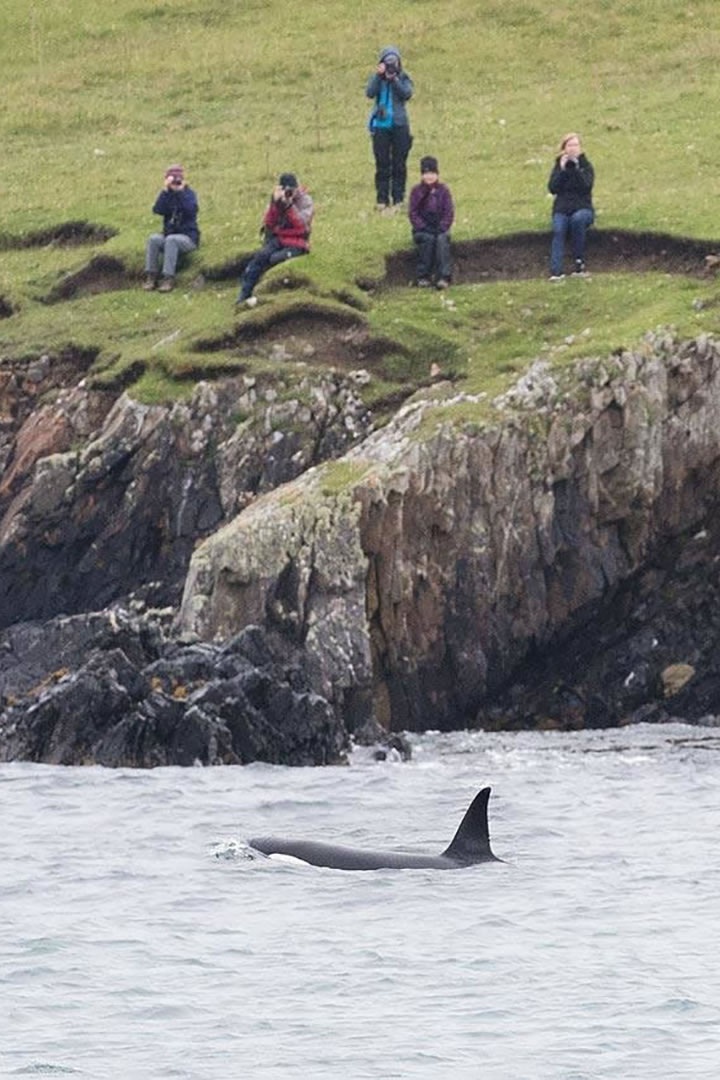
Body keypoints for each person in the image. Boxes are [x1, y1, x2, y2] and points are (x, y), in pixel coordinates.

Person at [235, 173, 314, 307]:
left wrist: (289, 206)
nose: (290, 194)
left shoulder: (305, 201)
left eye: (292, 190)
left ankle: (272, 293)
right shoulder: (277, 201)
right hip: (278, 239)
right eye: (287, 191)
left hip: (297, 242)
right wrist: (275, 203)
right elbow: (269, 224)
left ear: (297, 188)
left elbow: (302, 226)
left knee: (276, 259)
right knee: (260, 257)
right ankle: (244, 295)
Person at [366, 46, 413, 212]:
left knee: (399, 164)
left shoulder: (404, 77)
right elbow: (369, 93)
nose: (392, 66)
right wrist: (379, 77)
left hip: (400, 126)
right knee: (382, 164)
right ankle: (382, 199)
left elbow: (407, 94)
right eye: (388, 62)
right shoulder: (378, 79)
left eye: (394, 62)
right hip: (381, 126)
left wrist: (394, 80)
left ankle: (399, 199)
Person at [144, 165, 199, 292]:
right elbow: (157, 210)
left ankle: (168, 278)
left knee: (171, 240)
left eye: (178, 180)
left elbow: (191, 210)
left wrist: (181, 192)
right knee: (154, 239)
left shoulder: (189, 195)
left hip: (188, 238)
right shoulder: (167, 196)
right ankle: (151, 276)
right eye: (173, 181)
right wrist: (165, 191)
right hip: (169, 235)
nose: (175, 183)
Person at [547, 133, 594, 280]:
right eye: (570, 145)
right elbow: (552, 188)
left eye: (576, 145)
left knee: (577, 221)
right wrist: (562, 170)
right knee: (558, 229)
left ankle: (579, 263)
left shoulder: (586, 165)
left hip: (583, 208)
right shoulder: (558, 166)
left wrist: (576, 169)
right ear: (564, 149)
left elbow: (586, 186)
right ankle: (556, 272)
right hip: (562, 209)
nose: (573, 148)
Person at [408, 156, 454, 289]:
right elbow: (413, 213)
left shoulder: (443, 191)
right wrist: (423, 227)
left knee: (441, 240)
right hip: (423, 229)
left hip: (440, 228)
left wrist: (442, 227)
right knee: (427, 240)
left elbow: (449, 212)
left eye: (432, 173)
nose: (429, 177)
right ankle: (423, 276)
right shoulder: (416, 191)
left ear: (437, 174)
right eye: (426, 173)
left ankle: (444, 277)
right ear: (422, 175)